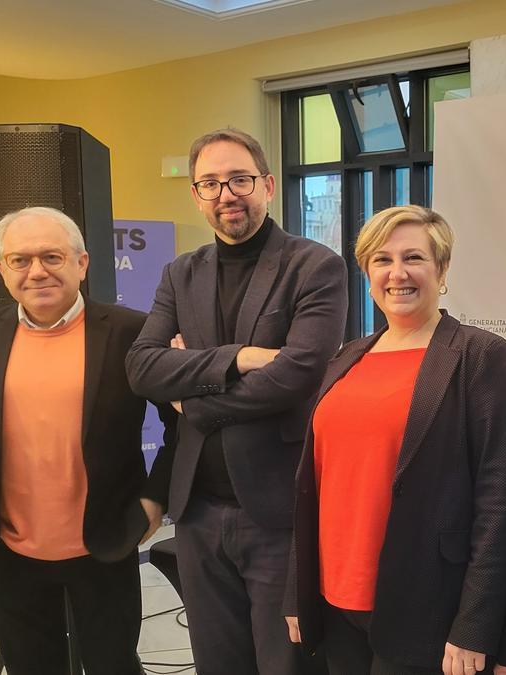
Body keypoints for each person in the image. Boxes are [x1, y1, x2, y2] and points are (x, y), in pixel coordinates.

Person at [0, 206, 176, 675]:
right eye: (20, 260)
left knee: (114, 667)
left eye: (51, 256)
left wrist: (154, 502)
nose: (36, 272)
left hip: (104, 546)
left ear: (82, 263)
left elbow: (184, 425)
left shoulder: (133, 332)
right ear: (1, 270)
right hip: (10, 554)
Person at [125, 128, 347, 674]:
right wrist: (242, 356)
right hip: (198, 511)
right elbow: (142, 365)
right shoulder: (181, 272)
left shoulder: (314, 266)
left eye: (240, 179)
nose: (227, 194)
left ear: (267, 185)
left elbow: (297, 374)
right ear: (197, 195)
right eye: (210, 183)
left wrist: (189, 398)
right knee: (217, 662)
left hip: (278, 510)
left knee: (286, 664)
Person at [283, 205, 506, 675]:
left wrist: (475, 625)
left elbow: (501, 503)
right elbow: (312, 484)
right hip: (334, 599)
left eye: (414, 257)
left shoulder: (478, 356)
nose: (398, 273)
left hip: (426, 606)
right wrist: (297, 587)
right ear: (367, 272)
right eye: (382, 260)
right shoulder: (346, 358)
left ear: (443, 269)